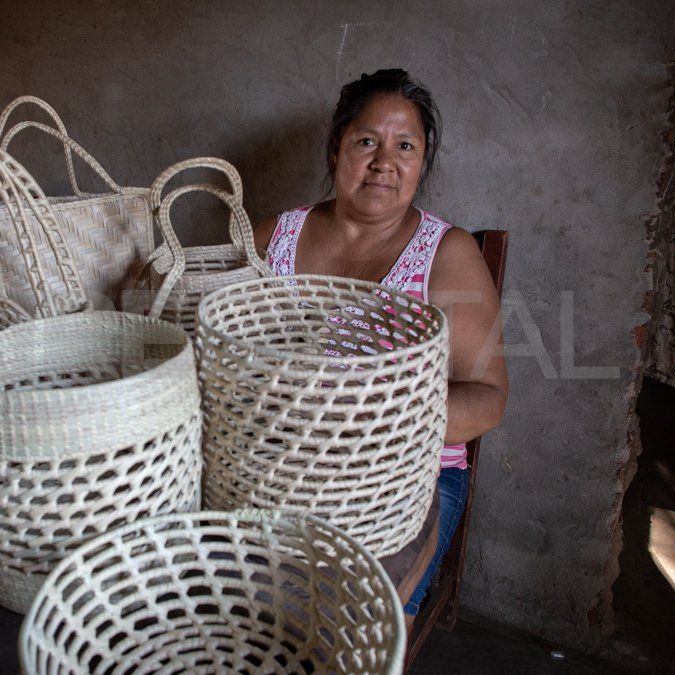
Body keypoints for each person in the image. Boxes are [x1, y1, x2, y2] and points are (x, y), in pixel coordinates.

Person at [253, 68, 508, 628]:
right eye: (367, 140)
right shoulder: (274, 236)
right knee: (201, 580)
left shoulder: (448, 254)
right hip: (276, 462)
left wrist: (379, 421)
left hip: (405, 476)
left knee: (352, 618)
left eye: (405, 146)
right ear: (337, 148)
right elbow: (213, 341)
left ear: (423, 161)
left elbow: (487, 397)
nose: (383, 162)